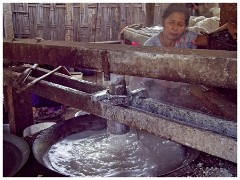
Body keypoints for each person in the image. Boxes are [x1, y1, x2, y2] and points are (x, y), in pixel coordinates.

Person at [128, 3, 237, 114]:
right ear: (163, 22)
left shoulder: (187, 38)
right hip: (157, 94)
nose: (175, 28)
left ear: (185, 27)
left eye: (180, 24)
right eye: (171, 22)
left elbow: (211, 38)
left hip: (184, 90)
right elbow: (139, 79)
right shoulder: (150, 45)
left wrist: (227, 26)